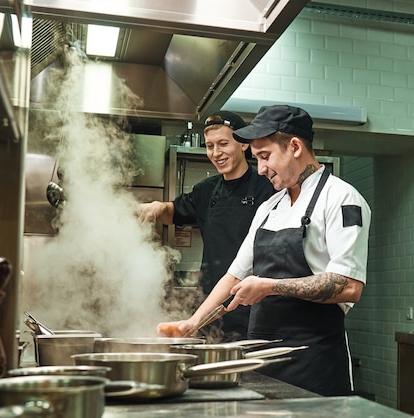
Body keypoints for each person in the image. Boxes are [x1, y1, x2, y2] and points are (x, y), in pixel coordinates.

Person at [156, 105, 371, 396]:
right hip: (264, 357)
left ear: (294, 146)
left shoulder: (341, 198)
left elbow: (348, 286)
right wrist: (192, 323)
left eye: (265, 156)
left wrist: (270, 286)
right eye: (256, 158)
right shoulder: (270, 207)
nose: (261, 169)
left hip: (314, 359)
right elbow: (234, 275)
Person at [138, 111, 276, 341]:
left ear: (243, 145)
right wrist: (159, 207)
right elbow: (173, 212)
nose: (216, 153)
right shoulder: (206, 190)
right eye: (210, 146)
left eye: (223, 144)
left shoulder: (267, 187)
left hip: (254, 305)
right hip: (212, 304)